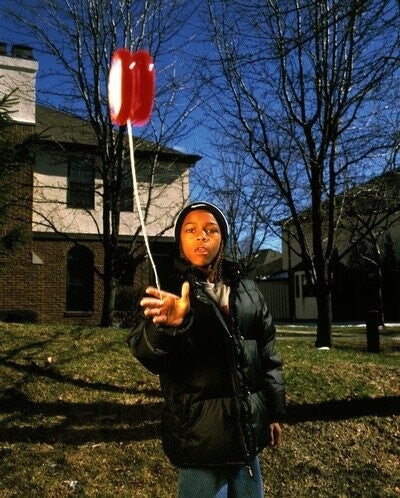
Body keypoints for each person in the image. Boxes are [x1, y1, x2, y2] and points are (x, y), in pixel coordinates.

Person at [128, 202, 285, 497]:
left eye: (211, 230)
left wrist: (273, 413)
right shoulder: (168, 289)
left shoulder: (247, 290)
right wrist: (170, 327)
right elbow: (146, 351)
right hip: (199, 438)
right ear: (180, 241)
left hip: (247, 436)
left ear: (222, 239)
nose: (201, 236)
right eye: (191, 230)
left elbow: (268, 355)